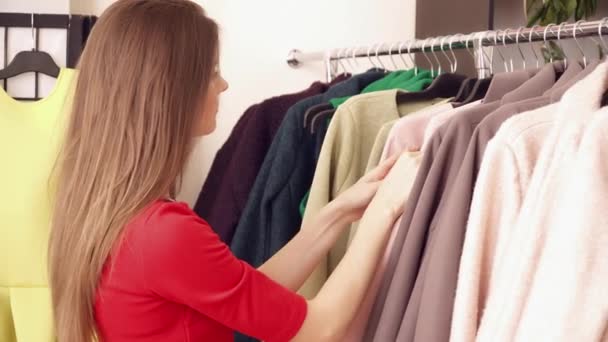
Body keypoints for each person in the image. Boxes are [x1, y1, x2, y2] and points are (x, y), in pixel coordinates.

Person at [48, 0, 408, 341]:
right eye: (212, 73)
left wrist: (338, 214)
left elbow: (246, 293)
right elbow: (319, 328)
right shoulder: (163, 234)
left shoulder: (112, 213)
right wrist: (384, 210)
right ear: (171, 92)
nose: (223, 85)